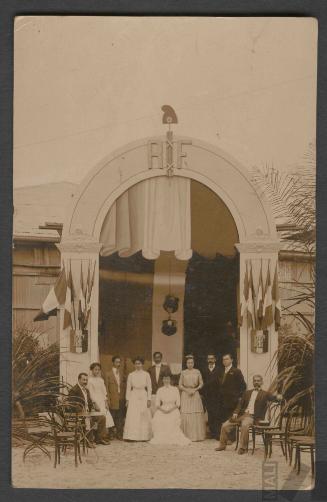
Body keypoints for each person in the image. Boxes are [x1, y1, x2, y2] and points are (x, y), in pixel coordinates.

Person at [215, 374, 283, 454]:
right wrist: (235, 412)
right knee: (225, 425)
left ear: (262, 382)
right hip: (242, 415)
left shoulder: (265, 394)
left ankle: (243, 448)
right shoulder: (247, 393)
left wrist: (279, 396)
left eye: (258, 381)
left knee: (244, 425)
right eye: (255, 381)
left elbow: (275, 399)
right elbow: (240, 404)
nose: (256, 382)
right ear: (253, 382)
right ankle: (222, 445)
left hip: (253, 417)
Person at [68, 372, 110, 445]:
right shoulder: (74, 390)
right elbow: (71, 404)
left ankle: (99, 439)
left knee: (102, 418)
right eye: (83, 380)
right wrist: (81, 410)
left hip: (88, 413)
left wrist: (95, 407)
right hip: (79, 415)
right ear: (79, 380)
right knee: (89, 420)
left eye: (86, 380)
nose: (85, 382)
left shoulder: (86, 390)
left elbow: (90, 402)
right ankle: (89, 441)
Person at [150, 372, 191, 445]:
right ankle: (162, 437)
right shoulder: (160, 390)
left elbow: (178, 403)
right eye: (165, 379)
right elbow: (157, 404)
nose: (166, 380)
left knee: (172, 419)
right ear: (162, 380)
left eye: (168, 379)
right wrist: (164, 410)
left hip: (173, 409)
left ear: (170, 380)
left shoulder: (175, 389)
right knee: (159, 419)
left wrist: (170, 410)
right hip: (162, 409)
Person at [123, 356, 152, 441]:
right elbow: (128, 388)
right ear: (134, 364)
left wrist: (149, 399)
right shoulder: (131, 375)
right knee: (133, 415)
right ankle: (132, 436)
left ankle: (144, 436)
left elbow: (149, 387)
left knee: (143, 415)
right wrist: (127, 399)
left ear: (142, 364)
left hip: (143, 395)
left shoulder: (146, 374)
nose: (137, 365)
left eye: (139, 363)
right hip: (134, 396)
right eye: (136, 363)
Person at [217, 353, 246, 438]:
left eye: (226, 359)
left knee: (232, 420)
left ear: (231, 360)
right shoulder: (221, 372)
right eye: (223, 359)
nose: (225, 361)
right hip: (223, 400)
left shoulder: (236, 371)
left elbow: (243, 386)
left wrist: (238, 397)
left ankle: (232, 438)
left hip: (232, 400)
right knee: (224, 419)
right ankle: (224, 437)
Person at [179, 355, 206, 441]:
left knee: (195, 413)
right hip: (185, 394)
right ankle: (186, 436)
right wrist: (186, 390)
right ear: (186, 364)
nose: (190, 364)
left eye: (191, 362)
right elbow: (180, 385)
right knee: (186, 413)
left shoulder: (197, 372)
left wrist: (195, 389)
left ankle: (196, 436)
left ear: (194, 363)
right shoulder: (183, 372)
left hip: (195, 394)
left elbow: (201, 383)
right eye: (188, 363)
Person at [87, 362, 115, 435]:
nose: (97, 371)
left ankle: (103, 436)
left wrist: (106, 402)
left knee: (106, 417)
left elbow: (104, 392)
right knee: (98, 417)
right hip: (95, 401)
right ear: (92, 370)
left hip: (102, 400)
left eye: (98, 370)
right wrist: (94, 403)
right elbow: (90, 393)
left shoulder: (101, 380)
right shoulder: (90, 380)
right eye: (95, 369)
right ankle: (98, 436)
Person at [200, 353, 221, 439]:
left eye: (212, 358)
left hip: (217, 396)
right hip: (207, 395)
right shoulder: (204, 370)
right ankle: (212, 433)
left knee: (216, 414)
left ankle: (217, 433)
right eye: (208, 359)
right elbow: (201, 382)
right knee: (210, 414)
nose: (210, 360)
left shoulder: (219, 369)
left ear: (215, 360)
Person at [106, 355, 126, 439]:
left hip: (121, 398)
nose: (118, 364)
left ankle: (119, 434)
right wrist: (108, 399)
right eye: (117, 362)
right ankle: (111, 434)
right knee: (112, 416)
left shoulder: (122, 374)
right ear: (113, 363)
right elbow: (106, 388)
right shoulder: (108, 374)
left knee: (120, 417)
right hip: (112, 399)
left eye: (119, 362)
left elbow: (125, 386)